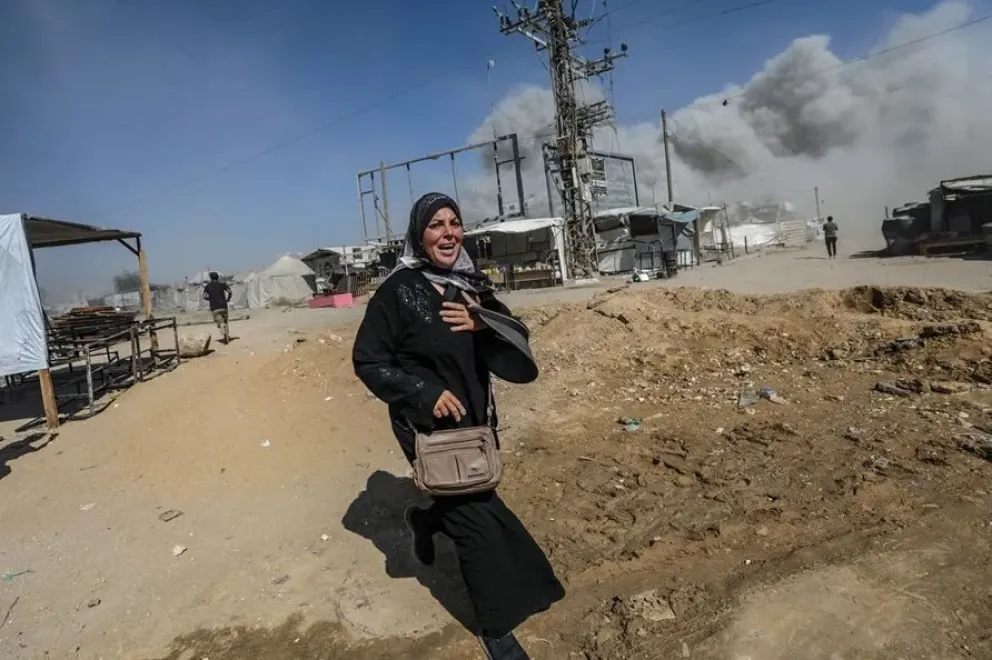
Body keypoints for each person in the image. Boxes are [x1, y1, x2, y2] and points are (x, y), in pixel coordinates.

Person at [352, 192, 564, 660]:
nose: (448, 233)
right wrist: (424, 394)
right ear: (418, 235)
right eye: (436, 225)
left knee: (469, 498)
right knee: (477, 523)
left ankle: (425, 520)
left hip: (475, 422)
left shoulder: (472, 285)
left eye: (454, 223)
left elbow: (515, 337)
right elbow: (368, 360)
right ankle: (497, 632)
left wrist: (480, 322)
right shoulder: (398, 292)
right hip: (427, 427)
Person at [202, 272, 232, 343]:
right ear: (218, 277)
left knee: (220, 322)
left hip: (214, 307)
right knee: (225, 321)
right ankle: (227, 335)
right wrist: (228, 299)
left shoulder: (208, 286)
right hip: (224, 306)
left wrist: (210, 299)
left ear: (211, 278)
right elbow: (230, 292)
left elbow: (204, 296)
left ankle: (222, 329)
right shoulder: (222, 284)